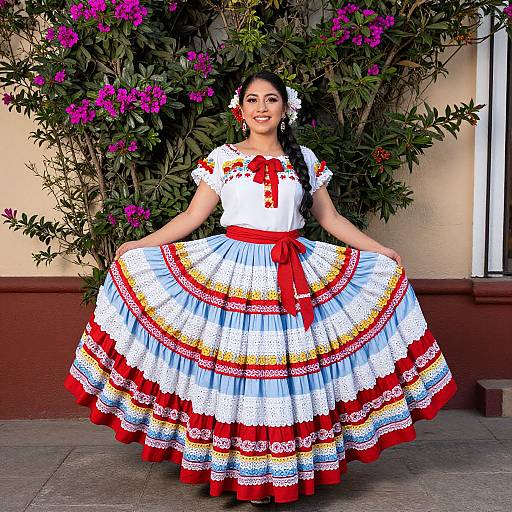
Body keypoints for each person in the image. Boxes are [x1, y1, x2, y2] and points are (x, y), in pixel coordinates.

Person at [64, 70, 457, 506]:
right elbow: (191, 219)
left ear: (284, 108)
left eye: (271, 99)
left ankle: (277, 475)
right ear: (241, 109)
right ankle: (237, 471)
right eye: (253, 100)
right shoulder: (223, 159)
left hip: (292, 271)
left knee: (284, 374)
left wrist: (379, 248)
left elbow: (331, 219)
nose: (262, 108)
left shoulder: (304, 158)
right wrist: (141, 244)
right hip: (234, 269)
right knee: (237, 374)